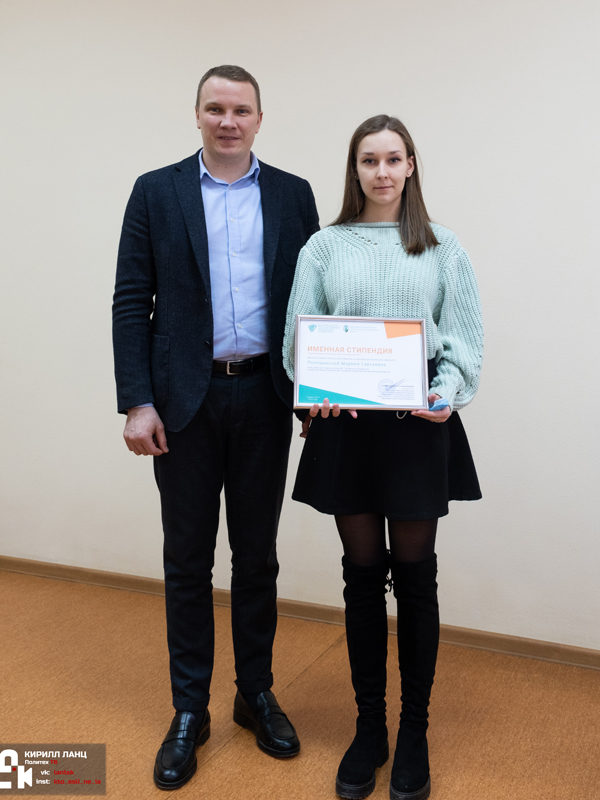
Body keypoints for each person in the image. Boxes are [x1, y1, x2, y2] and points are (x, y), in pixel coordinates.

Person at [112, 65, 319, 791]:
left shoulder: (292, 194)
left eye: (241, 110)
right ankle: (190, 709)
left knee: (256, 558)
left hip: (264, 395)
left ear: (260, 118)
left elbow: (313, 299)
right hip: (183, 405)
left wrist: (316, 393)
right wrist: (137, 401)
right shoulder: (155, 191)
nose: (228, 121)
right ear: (197, 114)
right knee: (187, 561)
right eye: (215, 108)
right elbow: (131, 299)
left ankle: (254, 693)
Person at [283, 115, 483, 800]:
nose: (382, 172)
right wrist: (312, 391)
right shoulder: (324, 246)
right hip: (348, 429)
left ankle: (413, 731)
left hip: (416, 425)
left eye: (394, 159)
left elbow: (462, 338)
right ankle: (369, 728)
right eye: (369, 160)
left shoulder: (441, 245)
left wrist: (447, 390)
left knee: (416, 578)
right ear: (355, 170)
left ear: (411, 165)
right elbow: (298, 337)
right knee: (363, 578)